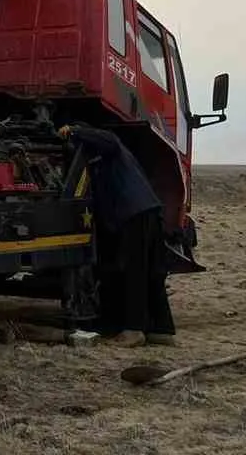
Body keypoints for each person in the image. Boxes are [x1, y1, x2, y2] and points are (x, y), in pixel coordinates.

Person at [58, 122, 176, 347]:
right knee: (151, 272)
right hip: (146, 210)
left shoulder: (108, 145)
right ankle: (161, 329)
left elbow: (108, 139)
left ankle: (134, 330)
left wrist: (75, 131)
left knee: (134, 272)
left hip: (133, 212)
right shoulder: (111, 158)